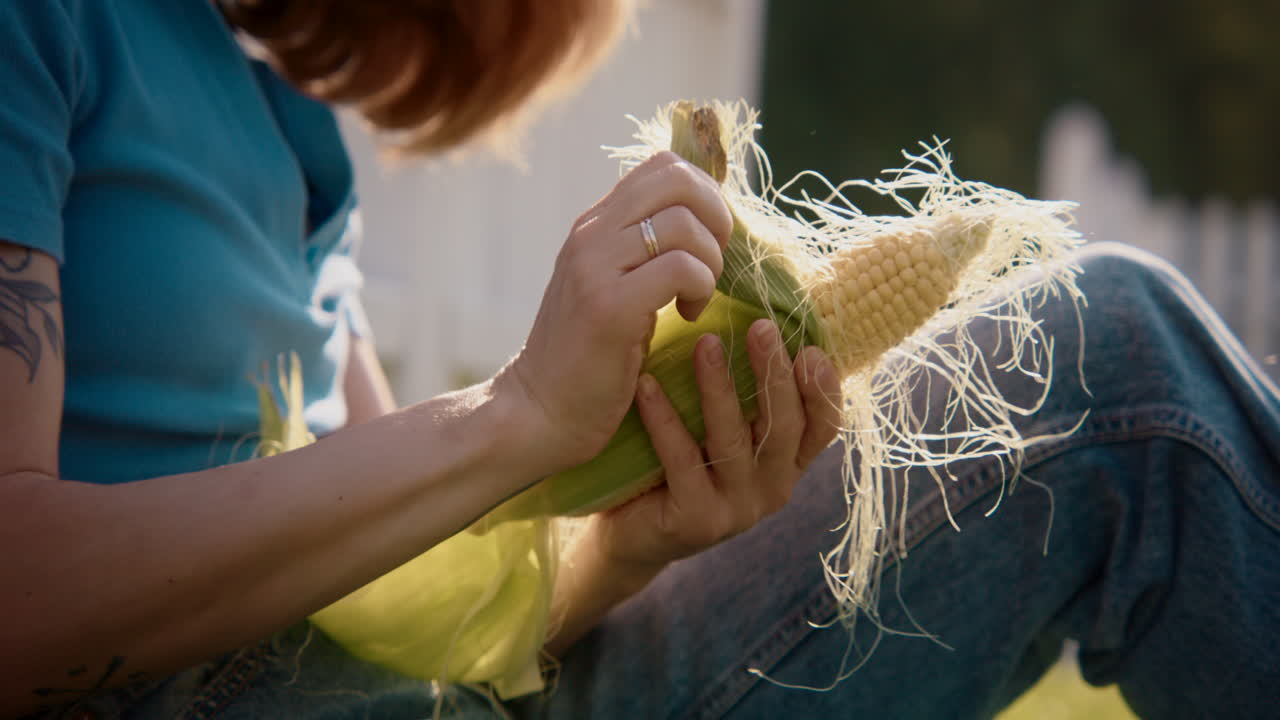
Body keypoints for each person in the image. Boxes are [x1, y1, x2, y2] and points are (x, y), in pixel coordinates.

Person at [2, 2, 1277, 719]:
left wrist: (629, 541)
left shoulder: (286, 130)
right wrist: (514, 415)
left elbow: (417, 604)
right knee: (1121, 371)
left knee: (1115, 357)